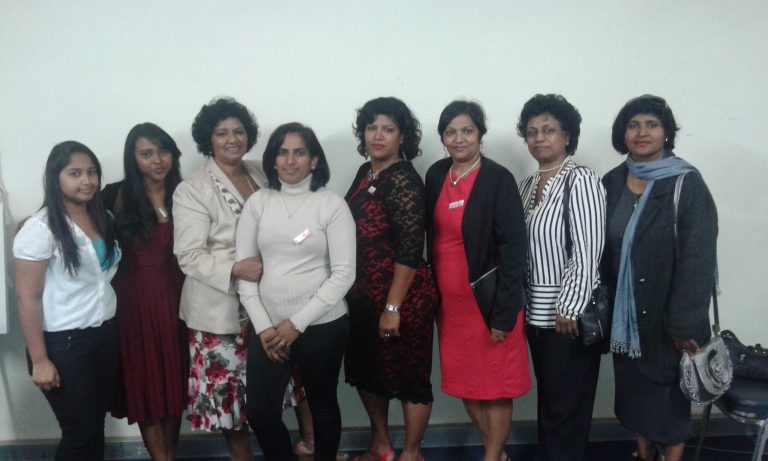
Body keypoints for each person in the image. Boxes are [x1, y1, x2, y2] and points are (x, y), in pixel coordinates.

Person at [601, 95, 717, 461]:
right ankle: (644, 454)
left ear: (666, 132)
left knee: (668, 404)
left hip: (669, 319)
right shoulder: (613, 181)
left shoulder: (686, 183)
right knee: (635, 399)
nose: (642, 132)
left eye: (651, 124)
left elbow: (698, 259)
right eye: (633, 125)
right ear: (623, 134)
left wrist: (684, 324)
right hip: (627, 319)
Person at [236, 122, 356, 461]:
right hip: (269, 328)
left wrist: (297, 323)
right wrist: (265, 328)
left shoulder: (331, 205)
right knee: (261, 413)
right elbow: (246, 271)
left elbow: (344, 274)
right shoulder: (258, 203)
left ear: (314, 160)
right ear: (272, 160)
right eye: (282, 152)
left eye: (299, 152)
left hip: (322, 323)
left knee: (322, 405)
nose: (290, 161)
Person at [425, 100, 531, 461]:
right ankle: (496, 454)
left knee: (496, 388)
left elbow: (514, 251)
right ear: (443, 138)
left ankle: (492, 456)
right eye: (450, 132)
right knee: (467, 385)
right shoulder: (437, 175)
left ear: (480, 135)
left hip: (489, 304)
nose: (459, 139)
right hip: (451, 308)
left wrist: (504, 314)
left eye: (467, 131)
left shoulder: (497, 179)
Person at [344, 97, 439, 461]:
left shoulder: (403, 179)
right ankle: (381, 446)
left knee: (409, 379)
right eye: (372, 128)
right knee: (368, 372)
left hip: (403, 298)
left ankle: (411, 454)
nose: (378, 135)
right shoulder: (365, 172)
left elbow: (410, 250)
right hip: (363, 296)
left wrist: (393, 307)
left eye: (388, 129)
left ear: (402, 136)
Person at [173, 97, 267, 461]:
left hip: (267, 302)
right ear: (207, 139)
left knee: (271, 389)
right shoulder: (193, 189)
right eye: (222, 133)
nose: (232, 139)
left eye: (239, 131)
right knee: (229, 399)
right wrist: (236, 268)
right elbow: (189, 256)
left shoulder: (261, 173)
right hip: (219, 312)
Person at [14, 141, 121, 460]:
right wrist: (40, 360)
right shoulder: (40, 229)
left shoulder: (104, 218)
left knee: (94, 428)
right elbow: (26, 298)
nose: (86, 180)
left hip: (103, 336)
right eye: (75, 173)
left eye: (92, 172)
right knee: (80, 435)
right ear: (55, 178)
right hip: (63, 344)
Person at [516, 94, 606, 461]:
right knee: (551, 402)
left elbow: (587, 249)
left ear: (567, 135)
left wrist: (569, 306)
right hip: (536, 316)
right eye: (532, 131)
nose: (539, 138)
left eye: (549, 130)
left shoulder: (580, 179)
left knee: (566, 409)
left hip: (566, 317)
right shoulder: (527, 185)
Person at [102, 123, 187, 461]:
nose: (157, 160)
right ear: (133, 158)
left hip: (179, 299)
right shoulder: (114, 194)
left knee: (175, 384)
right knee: (147, 384)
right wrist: (32, 221)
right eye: (146, 153)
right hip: (134, 304)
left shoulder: (186, 193)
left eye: (162, 151)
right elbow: (68, 210)